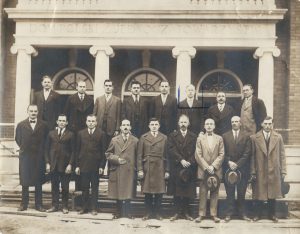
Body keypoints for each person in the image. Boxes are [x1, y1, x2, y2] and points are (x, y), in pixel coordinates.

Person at [250, 116, 287, 222]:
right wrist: (252, 171)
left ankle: (272, 214)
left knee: (272, 193)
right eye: (265, 123)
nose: (267, 126)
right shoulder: (254, 138)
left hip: (273, 169)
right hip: (260, 169)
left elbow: (282, 155)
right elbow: (252, 156)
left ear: (272, 125)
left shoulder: (278, 137)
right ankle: (257, 214)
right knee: (259, 193)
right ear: (262, 124)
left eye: (269, 124)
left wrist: (283, 170)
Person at [15, 105, 49, 212]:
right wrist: (25, 148)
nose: (33, 113)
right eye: (31, 111)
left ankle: (39, 205)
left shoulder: (44, 125)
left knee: (38, 181)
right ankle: (24, 204)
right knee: (25, 181)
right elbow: (18, 139)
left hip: (39, 157)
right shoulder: (21, 125)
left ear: (38, 112)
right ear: (27, 111)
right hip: (26, 157)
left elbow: (47, 140)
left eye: (35, 111)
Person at [64, 80, 94, 192]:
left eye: (84, 86)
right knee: (75, 152)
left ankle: (84, 187)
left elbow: (92, 115)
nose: (82, 88)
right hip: (73, 130)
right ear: (77, 87)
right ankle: (75, 178)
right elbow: (66, 113)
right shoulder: (71, 99)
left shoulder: (90, 100)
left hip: (85, 131)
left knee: (84, 153)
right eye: (80, 86)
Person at [105, 119, 139, 219]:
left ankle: (128, 212)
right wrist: (117, 159)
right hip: (118, 169)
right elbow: (108, 154)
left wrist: (137, 169)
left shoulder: (135, 140)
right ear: (120, 127)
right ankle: (118, 212)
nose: (125, 127)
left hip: (129, 170)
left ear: (130, 127)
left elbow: (138, 156)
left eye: (127, 125)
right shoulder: (114, 140)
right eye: (123, 125)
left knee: (128, 192)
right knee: (118, 192)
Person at [137, 118, 169, 220]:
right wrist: (140, 169)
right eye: (152, 124)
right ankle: (148, 213)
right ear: (149, 126)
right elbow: (139, 155)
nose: (154, 126)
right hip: (147, 167)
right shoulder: (143, 137)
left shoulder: (164, 138)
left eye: (156, 124)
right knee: (147, 193)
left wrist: (167, 170)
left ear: (159, 126)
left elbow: (168, 156)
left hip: (160, 167)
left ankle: (158, 213)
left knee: (159, 192)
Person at [75, 115, 106, 215]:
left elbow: (104, 152)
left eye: (93, 121)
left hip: (95, 166)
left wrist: (102, 166)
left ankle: (94, 208)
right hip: (83, 165)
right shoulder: (80, 133)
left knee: (95, 188)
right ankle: (84, 207)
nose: (91, 123)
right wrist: (77, 165)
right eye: (89, 121)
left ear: (96, 123)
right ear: (86, 122)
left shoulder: (101, 134)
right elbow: (77, 151)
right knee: (84, 188)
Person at [168, 114, 197, 221]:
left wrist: (189, 161)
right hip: (177, 166)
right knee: (177, 192)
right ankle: (176, 213)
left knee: (187, 191)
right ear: (178, 124)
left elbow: (196, 151)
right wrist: (181, 160)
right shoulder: (172, 136)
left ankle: (186, 213)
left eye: (185, 122)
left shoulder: (194, 136)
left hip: (189, 167)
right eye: (181, 122)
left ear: (188, 124)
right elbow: (171, 149)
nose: (183, 124)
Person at [194, 118, 224, 223]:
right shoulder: (200, 139)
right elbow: (198, 155)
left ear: (214, 126)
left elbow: (221, 154)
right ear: (204, 126)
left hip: (216, 170)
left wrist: (213, 167)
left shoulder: (219, 138)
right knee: (203, 192)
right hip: (204, 170)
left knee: (215, 192)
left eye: (211, 124)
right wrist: (207, 167)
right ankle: (201, 214)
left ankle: (213, 214)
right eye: (207, 124)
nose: (209, 126)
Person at [222, 116, 251, 222]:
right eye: (232, 121)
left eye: (236, 121)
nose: (234, 123)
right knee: (229, 192)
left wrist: (237, 164)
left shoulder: (247, 136)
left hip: (242, 169)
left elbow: (247, 153)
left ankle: (242, 213)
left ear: (240, 123)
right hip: (228, 169)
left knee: (241, 192)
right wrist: (229, 162)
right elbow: (222, 152)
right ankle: (229, 214)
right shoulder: (225, 136)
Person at [45, 114, 75, 214]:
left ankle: (65, 206)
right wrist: (47, 163)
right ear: (57, 122)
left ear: (66, 123)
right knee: (54, 186)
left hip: (65, 165)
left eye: (64, 121)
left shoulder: (70, 134)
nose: (62, 122)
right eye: (60, 120)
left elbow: (73, 151)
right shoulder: (51, 134)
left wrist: (70, 164)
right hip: (54, 164)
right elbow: (46, 149)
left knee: (65, 187)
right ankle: (54, 206)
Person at [93, 79, 121, 149]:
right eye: (106, 86)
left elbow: (118, 115)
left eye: (110, 86)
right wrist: (94, 126)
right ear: (104, 87)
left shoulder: (117, 100)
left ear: (112, 87)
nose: (108, 87)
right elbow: (94, 114)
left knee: (110, 146)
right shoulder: (98, 99)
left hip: (111, 127)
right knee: (99, 146)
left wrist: (117, 129)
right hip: (99, 126)